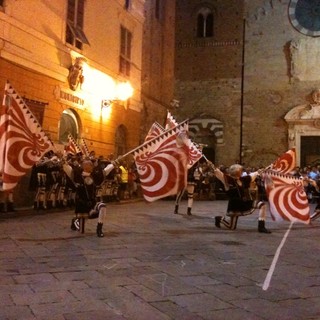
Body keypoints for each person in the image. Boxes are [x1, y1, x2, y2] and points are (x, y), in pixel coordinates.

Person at [214, 164, 271, 233]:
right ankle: (219, 219)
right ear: (236, 171)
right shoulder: (228, 180)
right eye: (241, 170)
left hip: (244, 202)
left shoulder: (243, 180)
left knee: (262, 205)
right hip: (235, 205)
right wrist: (213, 167)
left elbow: (253, 175)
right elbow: (219, 174)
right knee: (231, 227)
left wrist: (260, 171)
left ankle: (261, 227)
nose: (242, 171)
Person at [71, 160, 106, 237]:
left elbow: (104, 173)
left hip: (93, 204)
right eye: (90, 165)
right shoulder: (78, 176)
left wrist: (114, 163)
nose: (92, 166)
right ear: (85, 166)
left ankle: (99, 229)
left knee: (102, 206)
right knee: (81, 231)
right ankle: (75, 220)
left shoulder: (93, 176)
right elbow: (71, 173)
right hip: (82, 206)